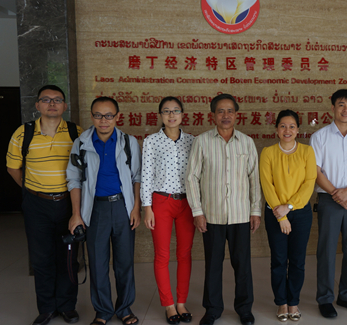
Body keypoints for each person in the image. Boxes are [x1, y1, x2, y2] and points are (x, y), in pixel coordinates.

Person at [6, 85, 82, 325]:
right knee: (41, 258)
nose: (52, 104)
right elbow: (12, 168)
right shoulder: (23, 132)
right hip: (36, 204)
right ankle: (47, 307)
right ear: (37, 105)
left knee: (68, 256)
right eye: (46, 100)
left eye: (57, 100)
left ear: (65, 106)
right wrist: (33, 190)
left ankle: (67, 306)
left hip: (68, 204)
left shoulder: (75, 132)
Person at [185, 94, 261, 325]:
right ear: (213, 115)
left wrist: (255, 210)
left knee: (242, 265)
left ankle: (244, 309)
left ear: (236, 115)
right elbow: (191, 177)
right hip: (212, 216)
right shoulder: (202, 141)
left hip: (240, 215)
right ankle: (213, 309)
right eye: (221, 111)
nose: (225, 115)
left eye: (230, 111)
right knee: (213, 265)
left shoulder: (247, 142)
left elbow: (254, 179)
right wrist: (197, 212)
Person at [66, 96, 142, 325]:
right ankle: (103, 312)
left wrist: (136, 207)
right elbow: (74, 179)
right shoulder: (81, 143)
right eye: (98, 115)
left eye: (109, 115)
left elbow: (137, 177)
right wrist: (76, 213)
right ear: (92, 117)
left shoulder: (129, 142)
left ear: (117, 117)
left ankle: (125, 308)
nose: (104, 120)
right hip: (95, 209)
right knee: (97, 263)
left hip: (122, 207)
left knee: (124, 262)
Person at [309, 89, 347, 318]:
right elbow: (316, 171)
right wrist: (337, 193)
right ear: (332, 107)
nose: (346, 109)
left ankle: (346, 295)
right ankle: (324, 298)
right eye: (341, 104)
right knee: (326, 250)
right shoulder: (320, 137)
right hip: (329, 199)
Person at [259, 109, 317, 322]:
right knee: (279, 261)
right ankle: (281, 303)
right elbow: (267, 185)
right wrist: (281, 216)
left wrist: (289, 207)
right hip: (275, 214)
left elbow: (309, 183)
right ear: (276, 129)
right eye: (283, 126)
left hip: (300, 214)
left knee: (298, 261)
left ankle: (293, 303)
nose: (287, 130)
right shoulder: (268, 153)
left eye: (292, 126)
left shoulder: (307, 152)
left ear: (298, 130)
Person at [142, 97, 195, 324]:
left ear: (183, 114)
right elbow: (146, 175)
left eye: (175, 111)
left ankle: (181, 302)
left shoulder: (193, 141)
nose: (171, 115)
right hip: (161, 202)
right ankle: (169, 305)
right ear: (160, 115)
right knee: (162, 255)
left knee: (184, 254)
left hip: (187, 204)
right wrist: (147, 207)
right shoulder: (151, 141)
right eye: (166, 111)